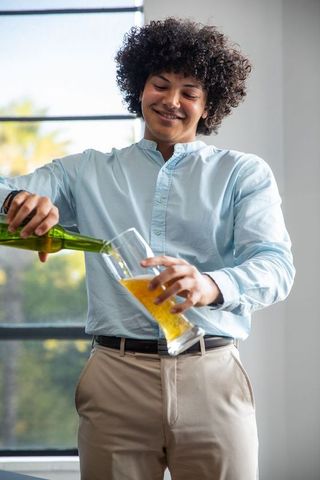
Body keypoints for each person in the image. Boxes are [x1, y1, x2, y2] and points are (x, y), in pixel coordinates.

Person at [0, 17, 294, 480]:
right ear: (139, 87)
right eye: (160, 84)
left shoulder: (243, 174)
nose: (172, 101)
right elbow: (2, 193)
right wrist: (16, 200)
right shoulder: (86, 172)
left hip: (212, 375)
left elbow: (277, 267)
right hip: (116, 377)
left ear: (208, 103)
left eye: (189, 92)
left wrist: (210, 284)